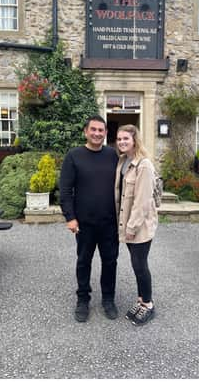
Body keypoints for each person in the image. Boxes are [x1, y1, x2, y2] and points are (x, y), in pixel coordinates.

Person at [59, 115, 119, 322]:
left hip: (110, 222)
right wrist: (70, 217)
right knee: (84, 261)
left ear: (105, 133)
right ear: (86, 131)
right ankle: (83, 300)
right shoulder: (74, 156)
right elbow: (65, 190)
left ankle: (108, 299)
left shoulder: (113, 155)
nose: (97, 133)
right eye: (93, 129)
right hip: (83, 223)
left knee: (110, 261)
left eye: (101, 130)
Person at [114, 124, 158, 326]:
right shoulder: (124, 161)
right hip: (128, 223)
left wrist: (131, 228)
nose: (122, 142)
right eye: (119, 138)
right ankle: (141, 300)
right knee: (135, 263)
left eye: (126, 139)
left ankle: (148, 304)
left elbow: (142, 201)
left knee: (140, 265)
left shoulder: (144, 165)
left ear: (135, 140)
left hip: (139, 226)